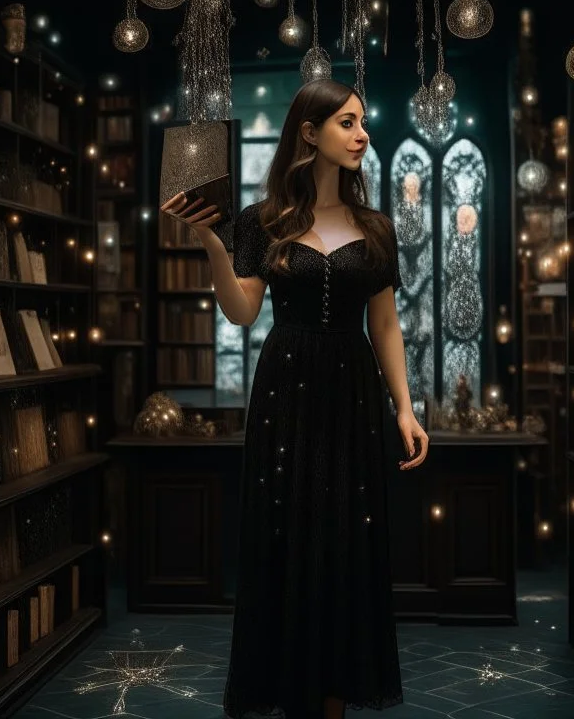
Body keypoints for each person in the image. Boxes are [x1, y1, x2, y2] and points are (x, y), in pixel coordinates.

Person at [160, 79, 429, 719]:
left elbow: (385, 325)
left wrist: (404, 407)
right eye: (347, 122)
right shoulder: (261, 221)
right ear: (309, 132)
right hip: (286, 395)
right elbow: (242, 312)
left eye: (363, 122)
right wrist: (212, 244)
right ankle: (289, 693)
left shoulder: (377, 227)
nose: (362, 135)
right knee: (286, 541)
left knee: (344, 546)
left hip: (354, 395)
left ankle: (332, 698)